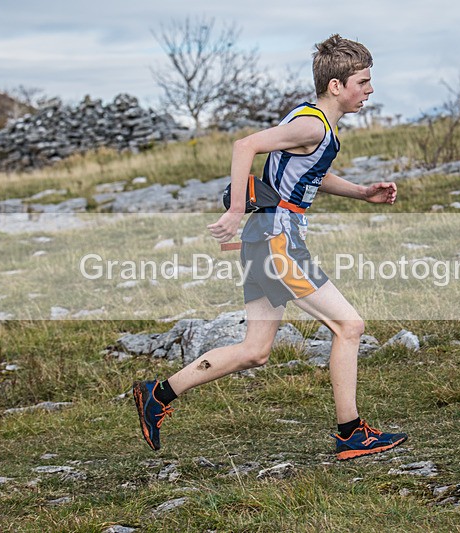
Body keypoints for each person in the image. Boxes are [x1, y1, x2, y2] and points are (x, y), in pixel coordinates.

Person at [133, 34, 407, 461]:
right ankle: (351, 433)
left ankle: (158, 393)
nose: (369, 90)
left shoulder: (311, 120)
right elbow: (245, 146)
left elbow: (309, 176)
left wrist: (361, 192)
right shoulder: (313, 124)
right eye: (363, 82)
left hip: (264, 242)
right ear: (337, 85)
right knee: (349, 326)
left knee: (255, 351)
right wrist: (235, 210)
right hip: (276, 241)